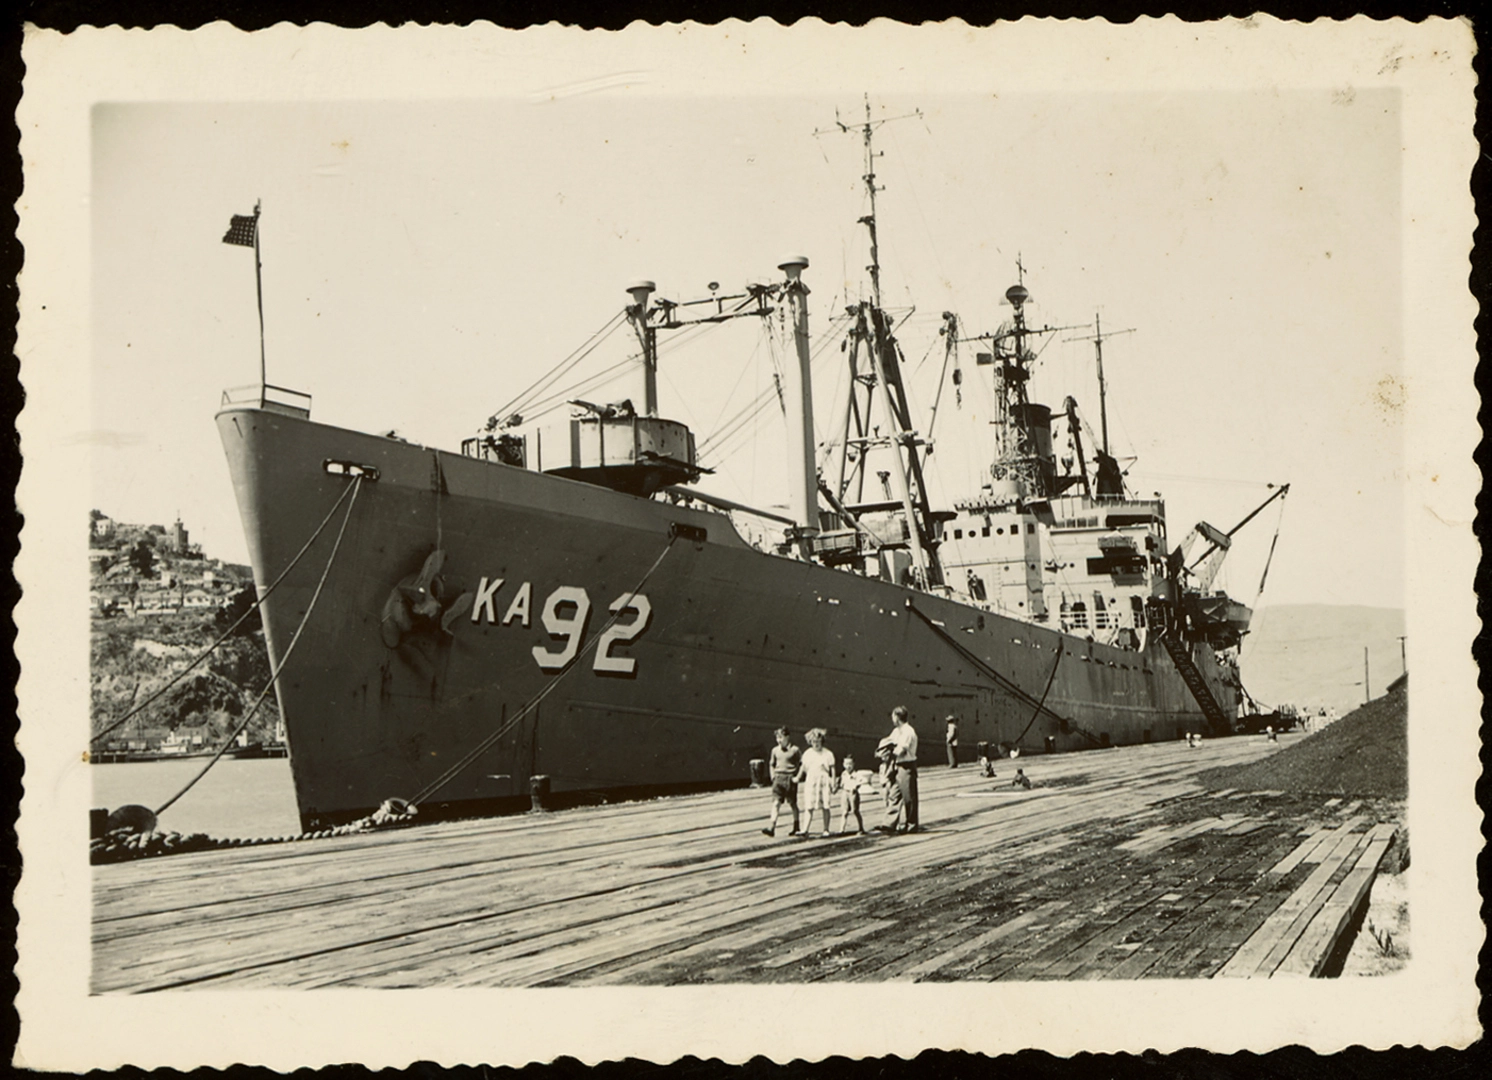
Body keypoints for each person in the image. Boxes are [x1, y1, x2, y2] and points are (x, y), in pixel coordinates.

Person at [762, 727, 802, 837]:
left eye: (781, 737)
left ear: (787, 737)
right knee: (776, 803)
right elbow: (771, 763)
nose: (779, 740)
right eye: (777, 738)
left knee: (792, 803)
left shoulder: (795, 750)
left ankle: (796, 826)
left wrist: (797, 777)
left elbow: (802, 764)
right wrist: (772, 776)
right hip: (778, 778)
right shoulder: (775, 750)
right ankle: (772, 827)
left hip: (790, 778)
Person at [798, 727, 837, 838]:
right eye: (814, 742)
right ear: (810, 742)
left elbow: (832, 769)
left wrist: (833, 782)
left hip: (824, 781)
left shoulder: (828, 754)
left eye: (818, 742)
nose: (816, 744)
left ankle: (826, 829)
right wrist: (798, 777)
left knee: (825, 805)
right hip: (811, 781)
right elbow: (804, 767)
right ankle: (805, 829)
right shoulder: (807, 754)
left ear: (822, 741)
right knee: (809, 805)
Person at [888, 705, 919, 832]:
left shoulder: (908, 731)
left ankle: (911, 825)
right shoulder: (897, 731)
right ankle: (889, 824)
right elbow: (888, 742)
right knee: (894, 795)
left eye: (893, 716)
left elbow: (901, 750)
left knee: (909, 797)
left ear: (897, 717)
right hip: (897, 766)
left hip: (906, 766)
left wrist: (889, 752)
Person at [874, 737, 905, 833]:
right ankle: (892, 823)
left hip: (895, 781)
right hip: (886, 784)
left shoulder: (894, 760)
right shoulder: (883, 764)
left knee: (894, 800)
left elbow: (893, 771)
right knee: (888, 802)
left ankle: (890, 824)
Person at [836, 753, 869, 835]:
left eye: (850, 764)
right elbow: (840, 783)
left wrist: (857, 785)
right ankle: (841, 829)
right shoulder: (843, 774)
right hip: (845, 793)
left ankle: (861, 828)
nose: (848, 766)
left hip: (853, 793)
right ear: (843, 764)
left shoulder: (856, 774)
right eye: (846, 764)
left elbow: (864, 780)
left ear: (854, 764)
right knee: (844, 812)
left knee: (855, 811)